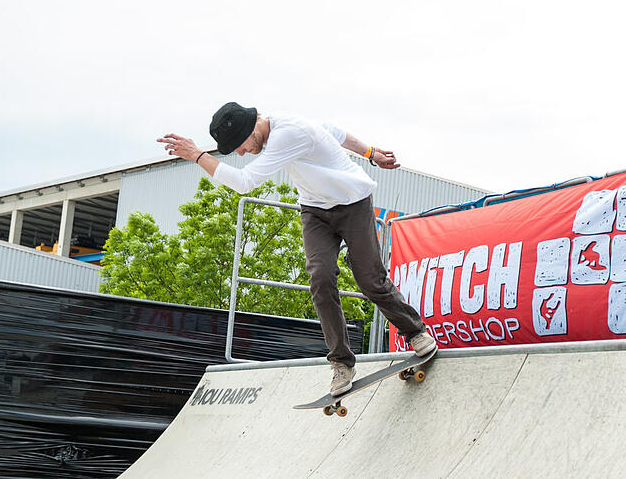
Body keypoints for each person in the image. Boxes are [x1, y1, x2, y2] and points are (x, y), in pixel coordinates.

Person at [157, 102, 436, 395]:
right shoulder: (288, 125)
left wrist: (197, 155)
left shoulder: (287, 134)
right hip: (315, 211)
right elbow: (334, 131)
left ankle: (415, 332)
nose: (241, 153)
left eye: (239, 146)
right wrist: (370, 152)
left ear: (251, 130)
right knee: (320, 278)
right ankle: (341, 362)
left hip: (353, 204)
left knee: (370, 280)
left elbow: (245, 182)